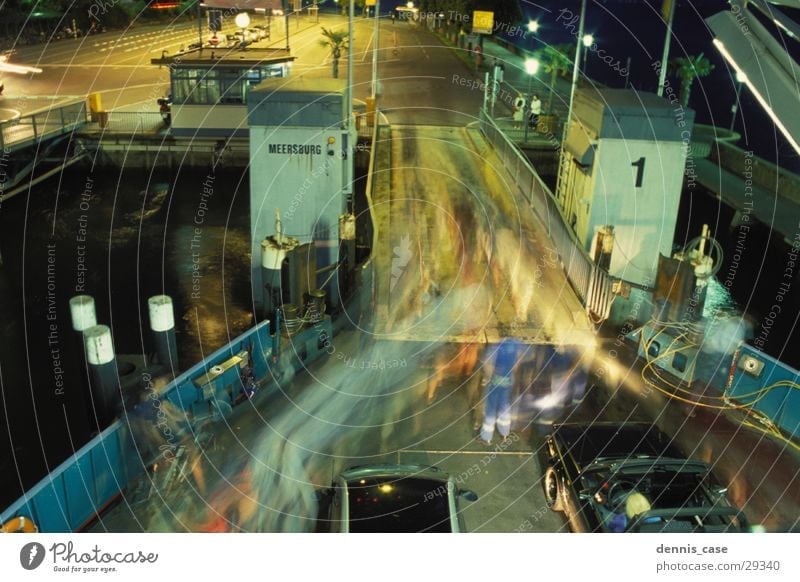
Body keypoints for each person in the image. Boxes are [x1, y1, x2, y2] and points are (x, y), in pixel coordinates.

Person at [478, 335, 523, 445]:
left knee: (491, 410)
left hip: (495, 381)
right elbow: (521, 358)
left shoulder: (496, 347)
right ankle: (504, 434)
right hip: (508, 381)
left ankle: (487, 438)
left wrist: (487, 378)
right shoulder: (516, 344)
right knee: (504, 408)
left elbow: (488, 364)